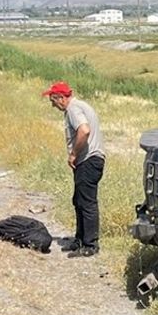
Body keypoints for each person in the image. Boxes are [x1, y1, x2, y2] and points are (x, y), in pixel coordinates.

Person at [43, 81, 105, 257]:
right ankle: (80, 240)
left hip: (88, 160)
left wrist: (73, 154)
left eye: (53, 101)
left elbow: (84, 130)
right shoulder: (80, 106)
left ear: (61, 98)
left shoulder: (73, 109)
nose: (53, 105)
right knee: (79, 200)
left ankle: (90, 245)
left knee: (87, 203)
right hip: (89, 160)